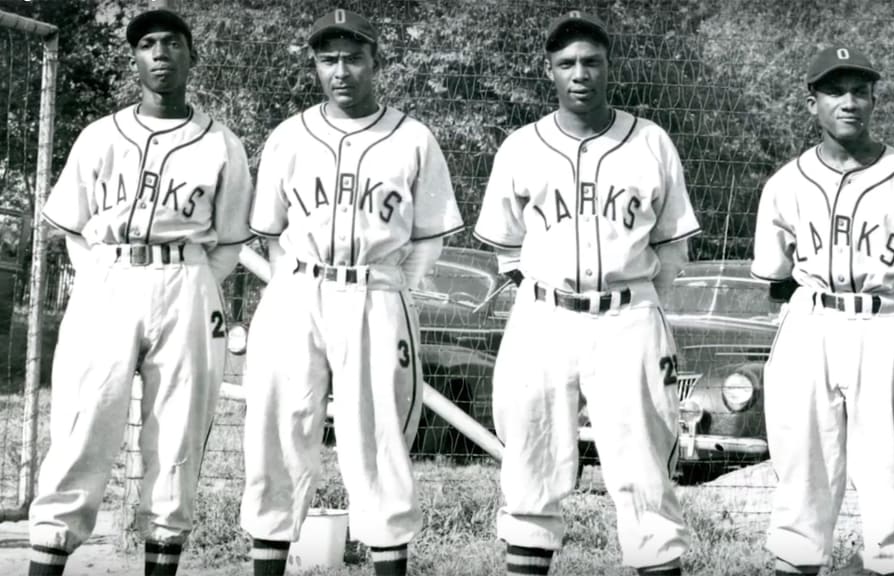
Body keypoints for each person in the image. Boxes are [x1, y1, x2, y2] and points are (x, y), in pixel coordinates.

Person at [27, 1, 253, 575]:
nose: (160, 54)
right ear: (135, 59)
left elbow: (228, 242)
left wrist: (191, 279)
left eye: (172, 43)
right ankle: (47, 555)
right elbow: (72, 227)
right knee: (82, 423)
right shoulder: (100, 134)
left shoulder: (221, 143)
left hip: (186, 282)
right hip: (107, 280)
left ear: (191, 56)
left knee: (176, 435)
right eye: (149, 44)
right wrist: (101, 275)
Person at [473, 10, 701, 576]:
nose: (580, 73)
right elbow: (506, 250)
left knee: (646, 473)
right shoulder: (521, 146)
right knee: (530, 466)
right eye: (566, 63)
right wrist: (546, 295)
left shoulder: (650, 140)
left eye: (591, 62)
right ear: (549, 71)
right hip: (543, 318)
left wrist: (637, 299)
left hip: (629, 318)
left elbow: (672, 248)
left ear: (609, 68)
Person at [239, 8, 464, 576]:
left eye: (353, 57)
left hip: (376, 292)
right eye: (328, 59)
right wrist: (295, 288)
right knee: (279, 430)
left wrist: (389, 291)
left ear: (375, 62)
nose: (341, 70)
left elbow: (427, 241)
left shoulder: (413, 138)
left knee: (381, 438)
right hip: (298, 291)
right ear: (316, 65)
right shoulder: (289, 135)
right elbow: (270, 233)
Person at [751, 45, 894, 576]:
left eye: (859, 90)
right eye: (834, 90)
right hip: (811, 324)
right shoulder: (786, 183)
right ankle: (796, 563)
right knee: (802, 462)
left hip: (890, 323)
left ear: (874, 99)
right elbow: (776, 283)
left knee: (890, 471)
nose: (848, 101)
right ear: (812, 103)